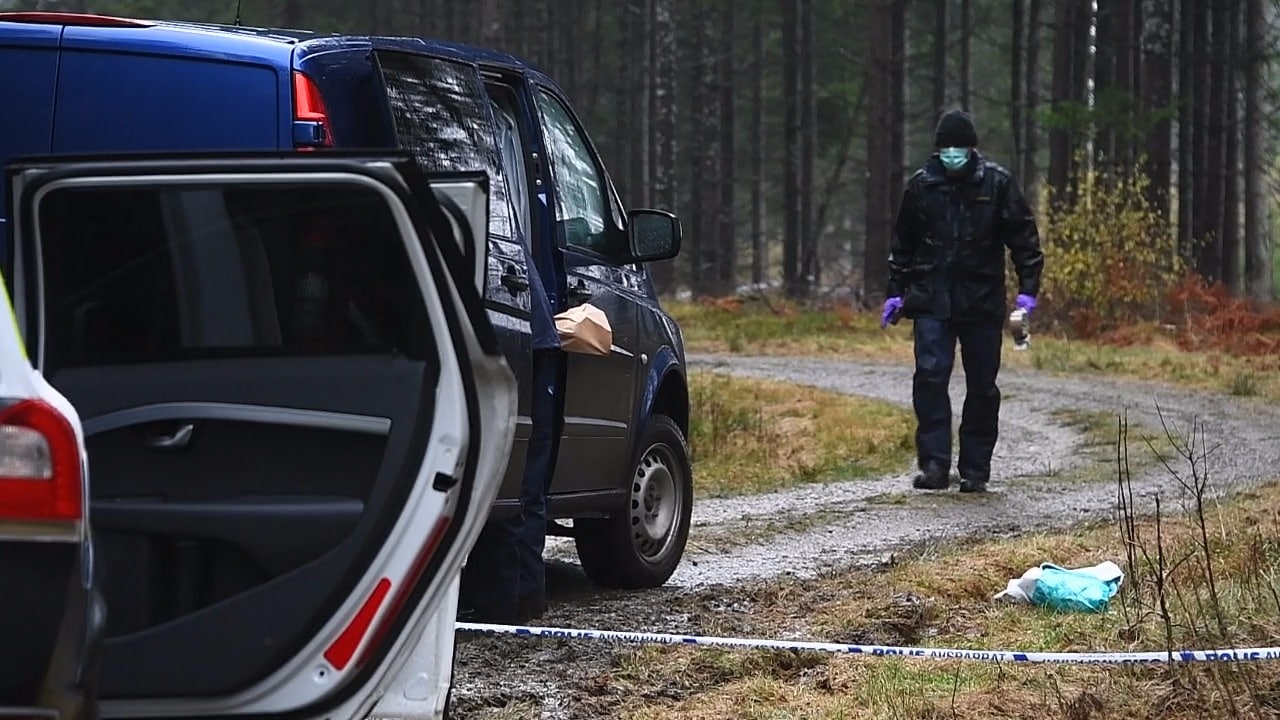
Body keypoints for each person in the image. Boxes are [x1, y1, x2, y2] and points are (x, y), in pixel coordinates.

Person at [880, 109, 1044, 494]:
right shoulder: (922, 187)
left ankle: (975, 469)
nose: (952, 153)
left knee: (982, 386)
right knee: (930, 379)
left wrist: (1028, 290)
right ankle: (935, 465)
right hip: (932, 300)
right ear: (938, 150)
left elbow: (1024, 240)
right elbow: (903, 244)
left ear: (972, 148)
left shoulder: (998, 185)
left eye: (959, 147)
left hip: (982, 302)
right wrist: (895, 291)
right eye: (946, 148)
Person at [458, 102, 566, 623]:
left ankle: (517, 600)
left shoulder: (487, 197)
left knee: (519, 477)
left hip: (528, 337)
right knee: (520, 473)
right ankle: (513, 597)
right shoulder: (499, 191)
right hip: (526, 334)